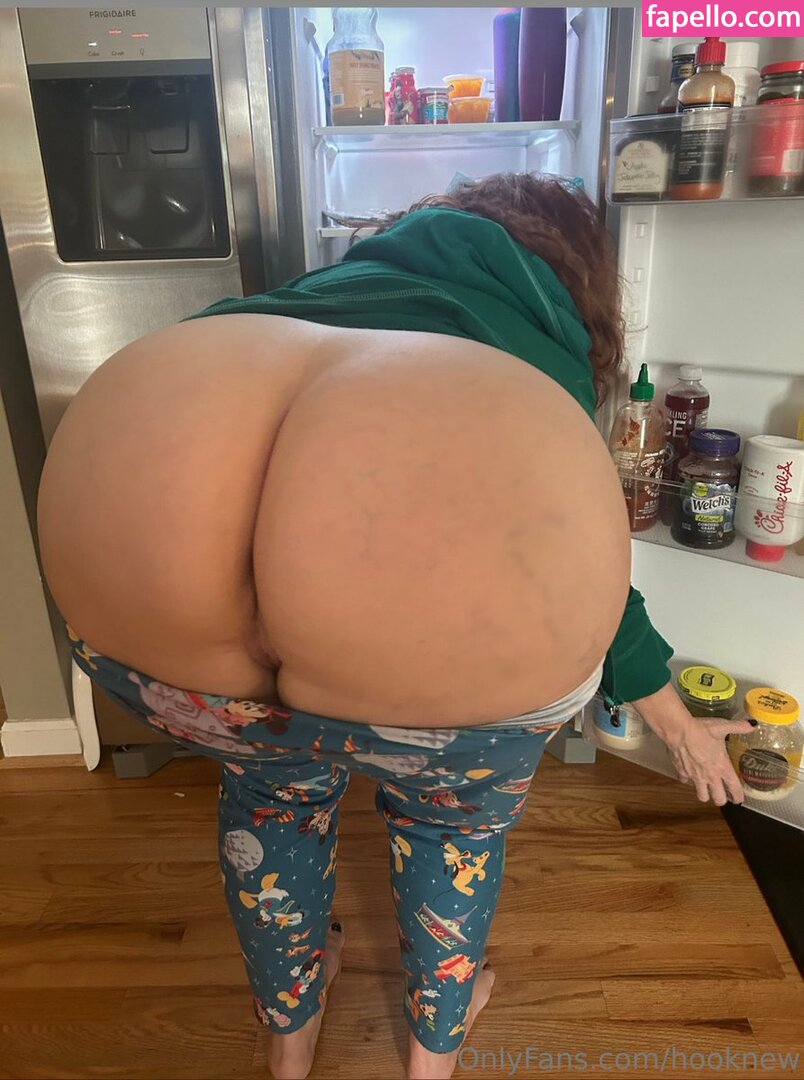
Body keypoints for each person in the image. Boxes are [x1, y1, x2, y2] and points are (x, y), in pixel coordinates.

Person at [37, 175, 753, 1080]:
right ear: (572, 282)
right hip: (448, 702)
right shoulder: (537, 349)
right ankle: (429, 1059)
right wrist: (678, 726)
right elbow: (592, 581)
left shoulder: (311, 296)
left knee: (272, 796)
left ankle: (289, 1037)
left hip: (153, 617)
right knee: (452, 828)